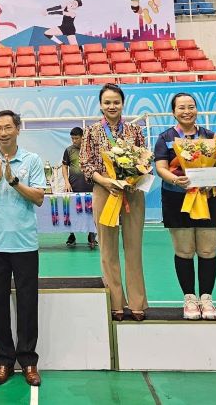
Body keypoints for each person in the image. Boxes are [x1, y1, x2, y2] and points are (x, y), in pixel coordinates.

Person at [0, 110, 47, 387]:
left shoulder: (32, 160)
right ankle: (4, 361)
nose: (3, 132)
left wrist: (14, 181)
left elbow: (39, 198)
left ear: (17, 129)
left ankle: (28, 361)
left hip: (25, 244)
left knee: (28, 304)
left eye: (7, 127)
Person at [154, 93, 216, 320]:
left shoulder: (211, 137)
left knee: (207, 251)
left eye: (191, 106)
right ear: (173, 111)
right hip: (177, 198)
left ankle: (206, 299)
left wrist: (212, 179)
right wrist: (175, 179)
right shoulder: (165, 138)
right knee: (184, 251)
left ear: (197, 109)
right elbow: (161, 167)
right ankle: (189, 299)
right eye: (181, 107)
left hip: (207, 197)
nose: (187, 111)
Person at [80, 84, 148, 321]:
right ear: (101, 105)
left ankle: (137, 303)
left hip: (132, 192)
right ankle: (115, 303)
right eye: (107, 102)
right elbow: (86, 164)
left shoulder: (135, 130)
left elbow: (144, 159)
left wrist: (133, 177)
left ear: (122, 103)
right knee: (107, 250)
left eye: (116, 102)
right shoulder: (91, 132)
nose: (112, 106)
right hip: (104, 191)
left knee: (133, 249)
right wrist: (105, 181)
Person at [62, 127, 96, 249]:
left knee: (91, 212)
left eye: (76, 138)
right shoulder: (69, 150)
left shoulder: (90, 149)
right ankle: (72, 235)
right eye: (72, 138)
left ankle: (92, 235)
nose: (74, 141)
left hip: (91, 186)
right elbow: (64, 166)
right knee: (71, 212)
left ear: (83, 137)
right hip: (74, 186)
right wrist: (66, 182)